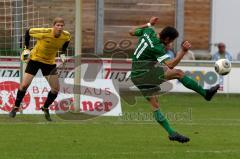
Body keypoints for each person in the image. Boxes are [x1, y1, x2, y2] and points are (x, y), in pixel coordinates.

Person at [129, 17, 219, 143]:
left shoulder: (148, 31)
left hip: (136, 76)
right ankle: (205, 94)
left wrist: (149, 24)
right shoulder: (156, 47)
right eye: (171, 41)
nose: (171, 44)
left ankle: (171, 133)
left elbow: (131, 31)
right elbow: (170, 64)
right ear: (166, 39)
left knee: (155, 105)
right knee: (178, 73)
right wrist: (182, 51)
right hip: (145, 74)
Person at [9, 17, 71, 121]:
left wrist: (63, 53)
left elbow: (67, 41)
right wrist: (26, 49)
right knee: (24, 85)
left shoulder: (66, 35)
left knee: (55, 89)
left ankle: (45, 107)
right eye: (58, 25)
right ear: (53, 26)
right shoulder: (44, 32)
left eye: (61, 25)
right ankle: (15, 107)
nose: (60, 27)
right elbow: (28, 31)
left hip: (49, 63)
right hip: (35, 60)